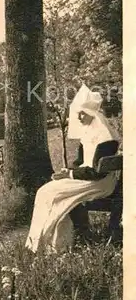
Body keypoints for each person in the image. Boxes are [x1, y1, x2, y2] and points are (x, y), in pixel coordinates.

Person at [25, 84, 120, 254]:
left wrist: (70, 174)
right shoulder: (89, 132)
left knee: (54, 194)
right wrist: (67, 171)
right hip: (88, 177)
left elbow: (97, 172)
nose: (79, 117)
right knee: (45, 191)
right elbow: (81, 161)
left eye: (83, 113)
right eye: (78, 113)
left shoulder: (106, 138)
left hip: (100, 183)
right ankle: (45, 243)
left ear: (93, 113)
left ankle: (57, 246)